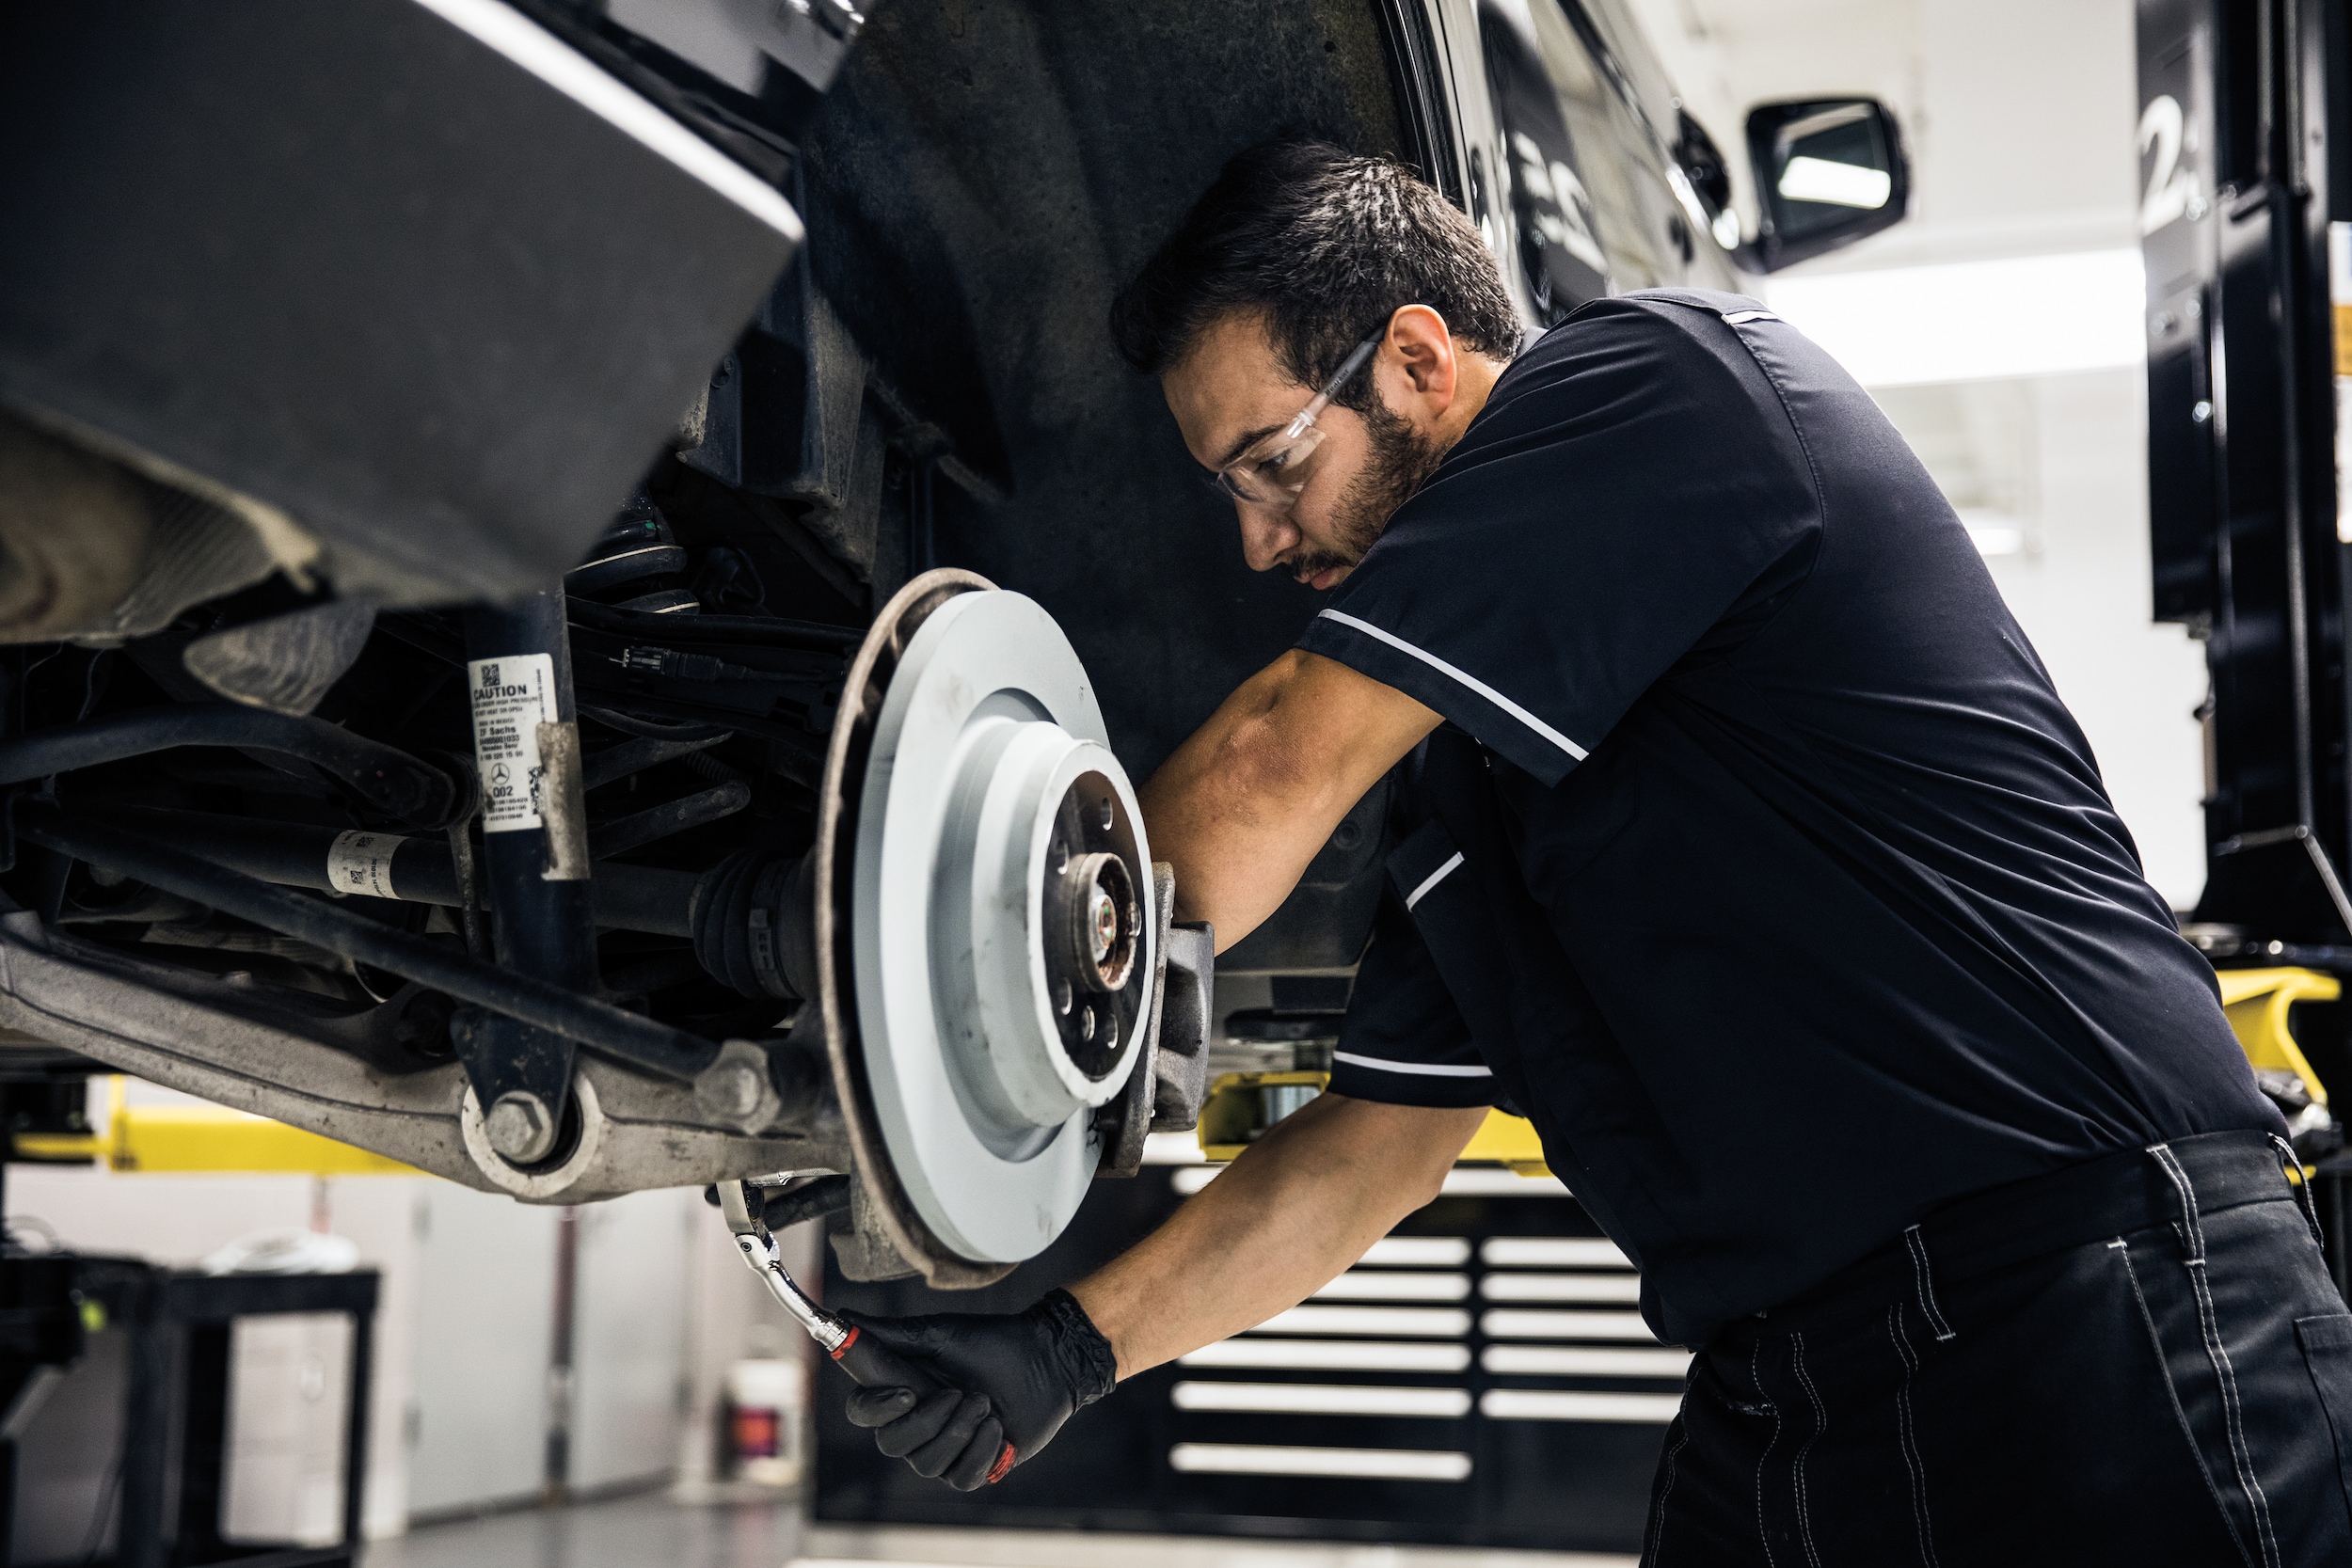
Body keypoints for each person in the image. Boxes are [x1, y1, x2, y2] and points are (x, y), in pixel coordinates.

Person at [834, 137, 2352, 1563]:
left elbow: (1274, 752)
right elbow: (1373, 1153)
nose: (1256, 546)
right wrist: (1064, 1349)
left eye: (1270, 464)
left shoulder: (1664, 381)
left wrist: (936, 976)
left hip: (2100, 1305)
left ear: (1422, 361)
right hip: (1796, 1375)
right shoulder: (1474, 789)